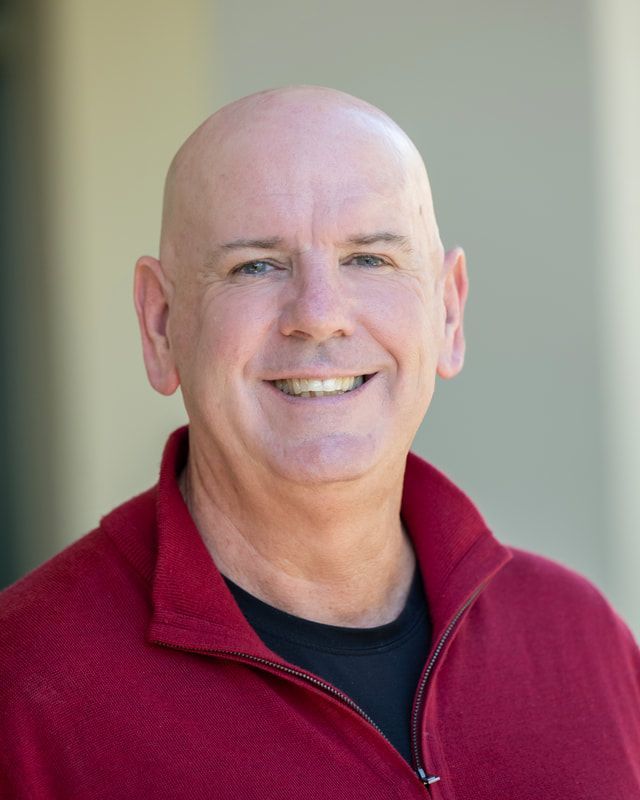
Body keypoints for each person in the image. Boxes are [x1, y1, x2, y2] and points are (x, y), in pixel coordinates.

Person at [1, 86, 638, 800]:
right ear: (160, 326)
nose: (319, 316)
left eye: (369, 259)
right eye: (255, 266)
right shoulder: (23, 687)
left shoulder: (584, 640)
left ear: (449, 310)